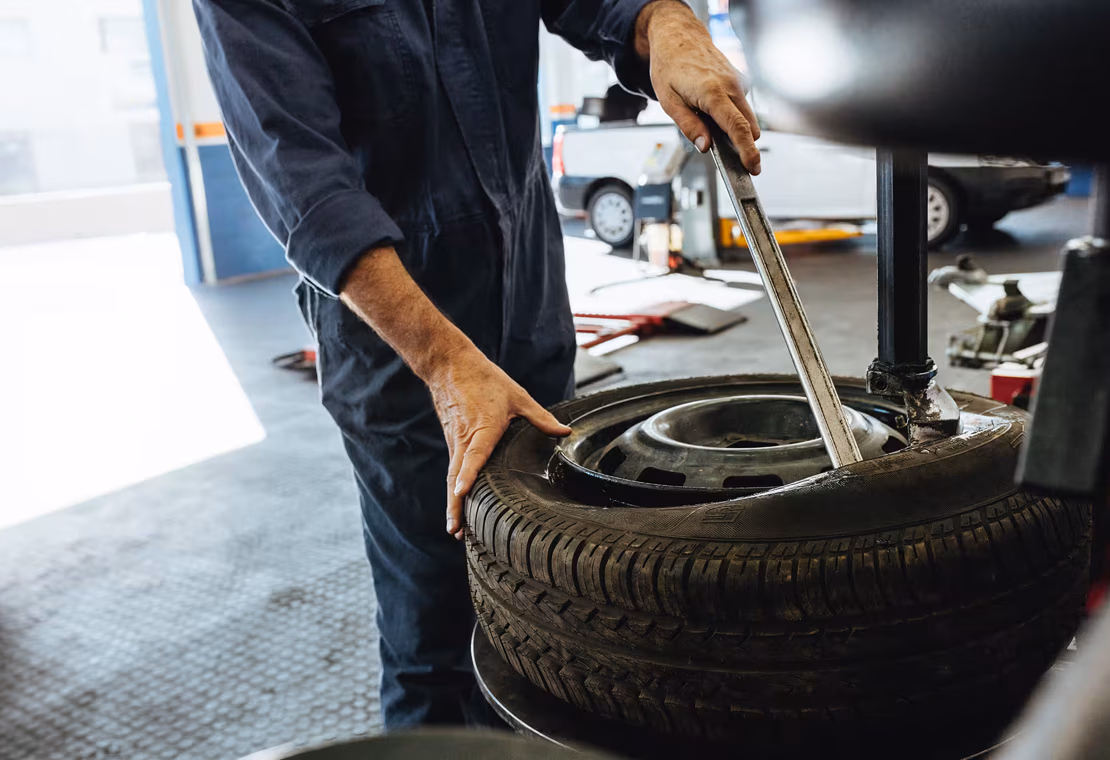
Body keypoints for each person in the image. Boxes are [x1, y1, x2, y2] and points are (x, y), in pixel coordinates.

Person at [192, 0, 761, 730]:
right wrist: (442, 361)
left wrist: (669, 27)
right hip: (402, 352)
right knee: (436, 629)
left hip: (529, 309)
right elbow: (307, 190)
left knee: (551, 597)